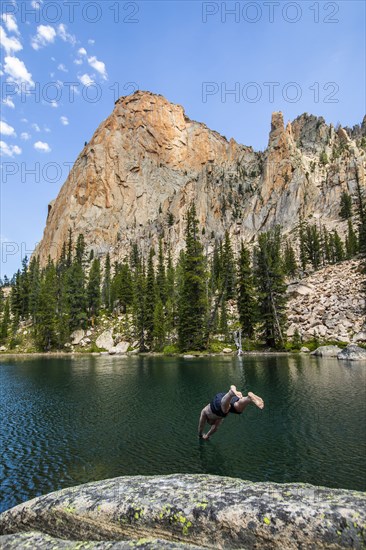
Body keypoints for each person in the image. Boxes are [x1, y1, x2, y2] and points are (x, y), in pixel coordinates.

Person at [198, 385, 264, 440]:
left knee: (223, 410)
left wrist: (200, 435)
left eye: (210, 423)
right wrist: (207, 435)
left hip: (218, 401)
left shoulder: (204, 412)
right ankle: (248, 399)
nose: (212, 424)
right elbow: (214, 428)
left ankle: (231, 392)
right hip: (225, 400)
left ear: (209, 420)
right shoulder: (218, 420)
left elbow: (201, 426)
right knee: (238, 409)